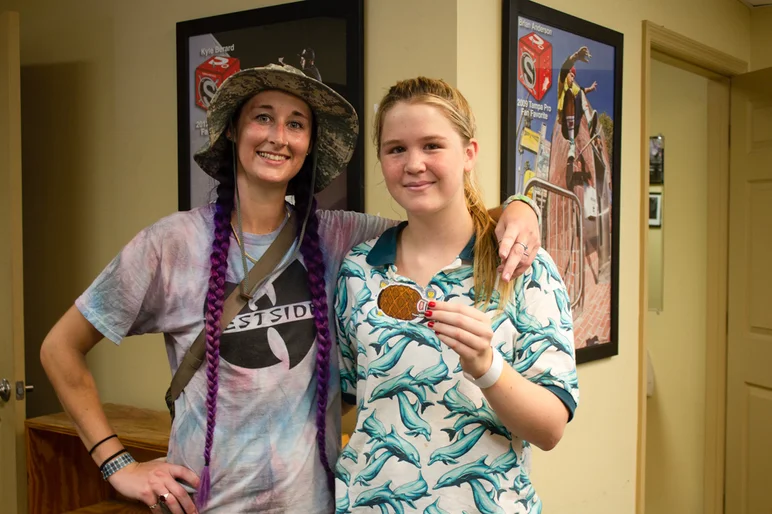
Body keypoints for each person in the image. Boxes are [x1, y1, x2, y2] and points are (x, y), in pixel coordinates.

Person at [39, 64, 543, 513]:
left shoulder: (340, 235)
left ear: (308, 144)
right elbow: (60, 349)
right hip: (205, 501)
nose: (278, 136)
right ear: (234, 130)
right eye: (263, 117)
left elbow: (441, 224)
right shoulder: (169, 244)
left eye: (296, 124)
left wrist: (522, 206)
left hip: (316, 503)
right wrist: (115, 463)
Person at [335, 77, 579, 513]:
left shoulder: (523, 267)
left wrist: (486, 367)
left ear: (469, 154)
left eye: (432, 145)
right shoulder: (358, 268)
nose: (413, 163)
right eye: (396, 149)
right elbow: (347, 401)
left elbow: (550, 429)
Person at [557, 45, 598, 163]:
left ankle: (590, 121)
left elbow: (583, 91)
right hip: (565, 128)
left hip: (575, 126)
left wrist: (590, 88)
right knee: (569, 94)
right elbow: (565, 67)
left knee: (579, 92)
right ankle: (571, 146)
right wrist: (576, 57)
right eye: (571, 75)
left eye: (574, 76)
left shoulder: (575, 88)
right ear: (567, 75)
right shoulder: (562, 83)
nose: (572, 78)